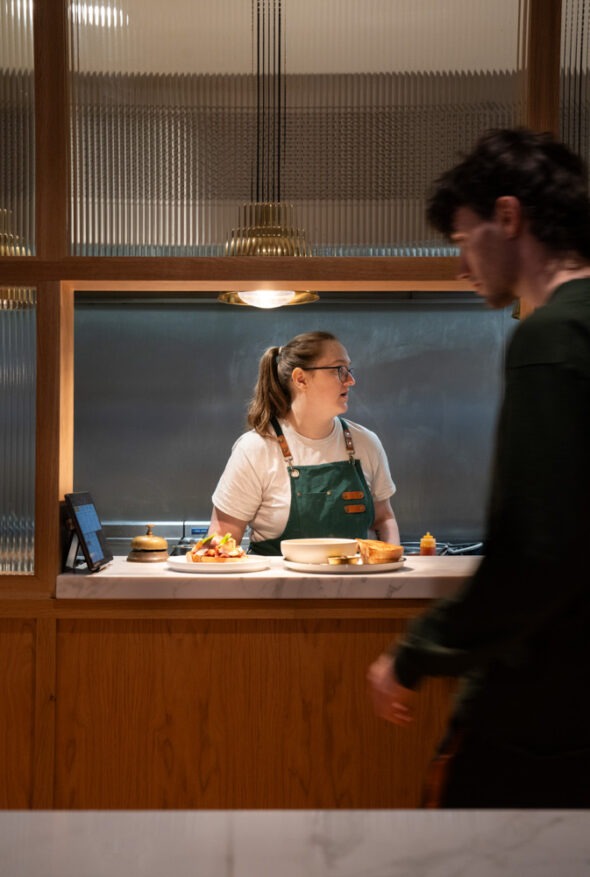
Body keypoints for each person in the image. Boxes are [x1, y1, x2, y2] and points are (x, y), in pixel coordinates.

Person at [367, 127, 590, 808]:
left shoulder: (552, 336)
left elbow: (539, 548)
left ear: (510, 217)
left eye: (464, 241)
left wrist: (416, 654)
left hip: (552, 709)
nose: (462, 266)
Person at [209, 330, 400, 555]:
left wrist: (391, 561)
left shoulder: (365, 443)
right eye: (339, 370)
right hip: (275, 589)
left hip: (355, 588)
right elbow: (222, 535)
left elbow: (384, 519)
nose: (350, 380)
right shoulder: (255, 449)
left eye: (349, 370)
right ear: (300, 379)